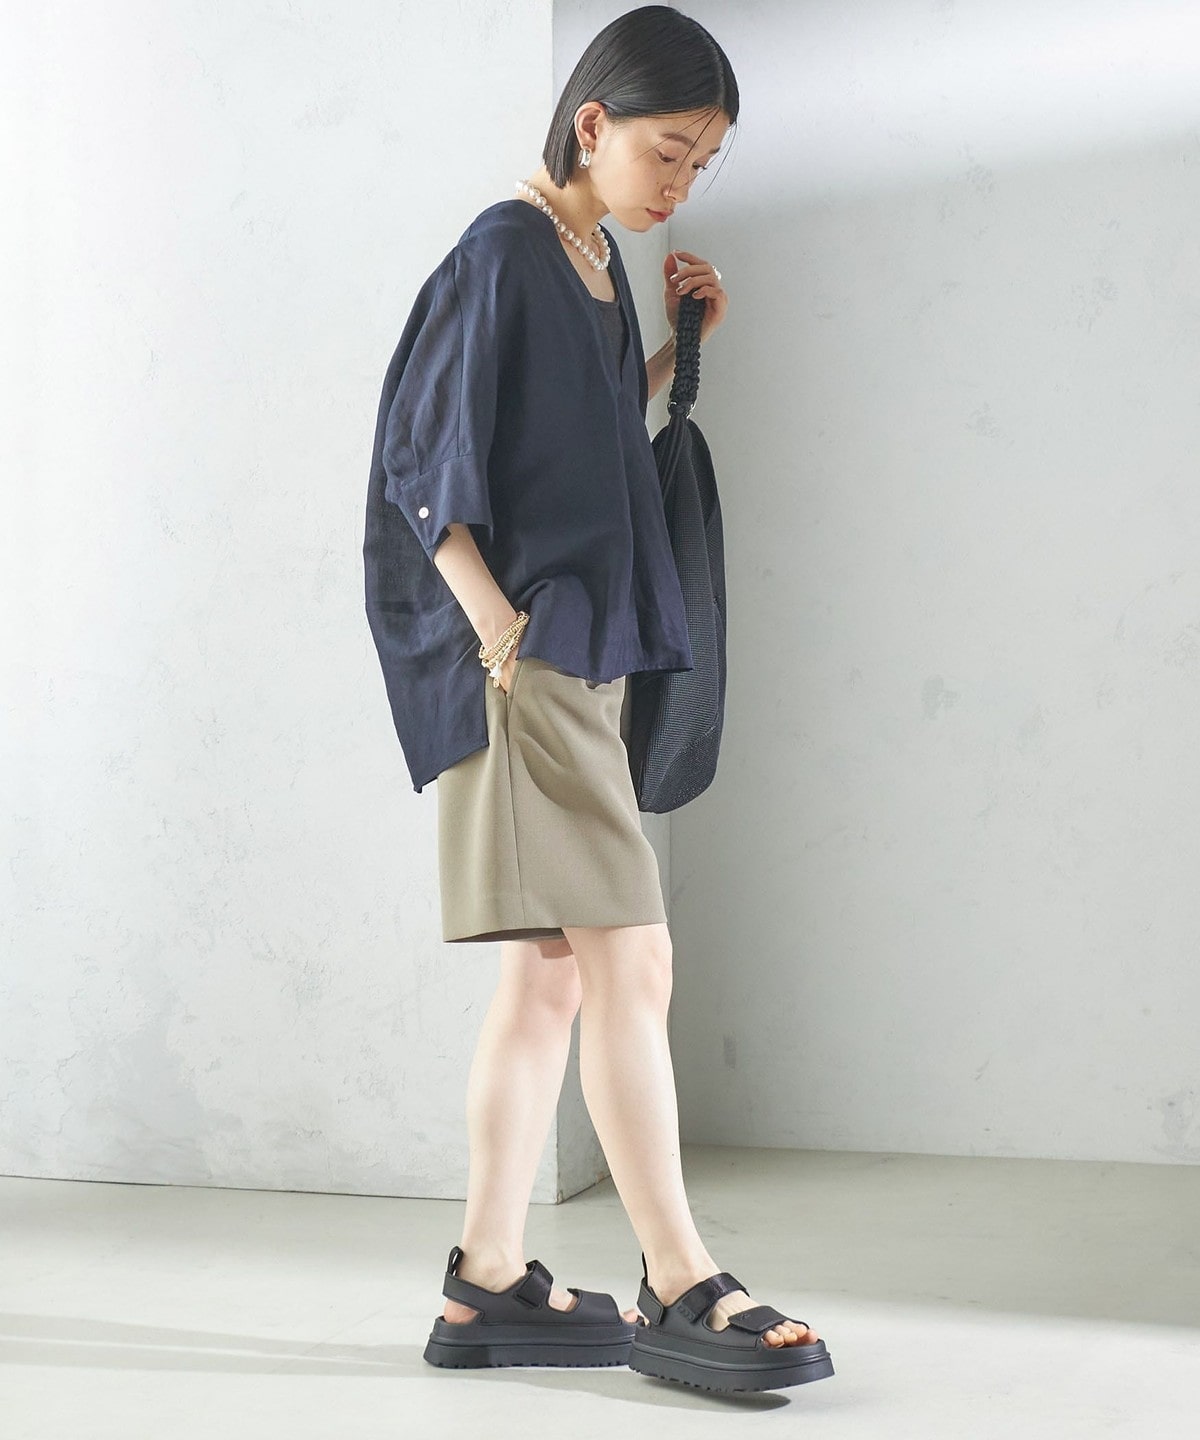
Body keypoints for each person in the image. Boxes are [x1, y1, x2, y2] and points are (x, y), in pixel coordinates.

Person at [364, 5, 833, 1393]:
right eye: (667, 150)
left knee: (551, 978)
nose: (680, 182)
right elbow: (419, 463)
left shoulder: (588, 258)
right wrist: (498, 628)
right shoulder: (503, 250)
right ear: (591, 123)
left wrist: (681, 344)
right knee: (633, 961)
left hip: (572, 654)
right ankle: (681, 1281)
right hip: (531, 665)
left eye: (703, 163)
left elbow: (579, 438)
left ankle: (488, 1281)